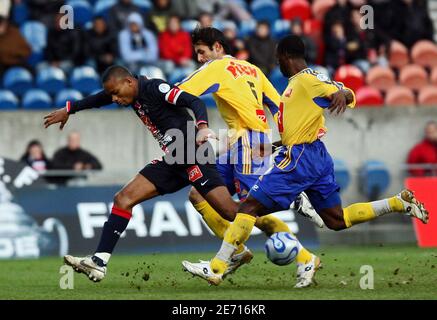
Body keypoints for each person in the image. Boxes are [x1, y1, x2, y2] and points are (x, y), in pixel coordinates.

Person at [203, 35, 429, 287]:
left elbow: (342, 92)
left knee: (248, 208)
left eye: (278, 58)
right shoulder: (307, 79)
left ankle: (216, 268)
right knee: (336, 220)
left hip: (300, 158)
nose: (277, 62)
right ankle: (397, 203)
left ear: (286, 57)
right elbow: (332, 96)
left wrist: (343, 93)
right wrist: (274, 146)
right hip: (316, 155)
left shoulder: (305, 81)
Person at [43, 65, 253, 282]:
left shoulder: (155, 88)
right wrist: (69, 108)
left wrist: (202, 127)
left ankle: (274, 205)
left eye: (116, 92)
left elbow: (194, 101)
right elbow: (99, 99)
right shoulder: (129, 94)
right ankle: (98, 263)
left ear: (129, 82)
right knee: (123, 199)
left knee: (230, 211)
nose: (114, 98)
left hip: (195, 154)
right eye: (111, 94)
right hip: (173, 161)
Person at [174, 27, 323, 288]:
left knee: (249, 208)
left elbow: (178, 92)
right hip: (243, 144)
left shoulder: (216, 68)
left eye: (201, 52)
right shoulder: (253, 69)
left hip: (250, 144)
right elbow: (280, 107)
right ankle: (238, 252)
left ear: (217, 48)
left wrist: (149, 92)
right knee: (199, 194)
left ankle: (303, 251)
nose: (199, 58)